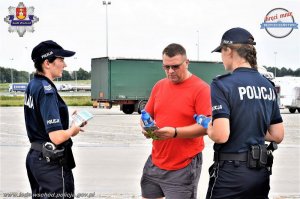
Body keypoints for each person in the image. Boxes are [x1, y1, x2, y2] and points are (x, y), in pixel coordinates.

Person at [206, 27, 284, 198]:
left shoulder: (222, 84)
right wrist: (249, 129)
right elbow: (277, 135)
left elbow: (220, 135)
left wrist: (207, 126)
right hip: (260, 174)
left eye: (221, 51)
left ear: (229, 51)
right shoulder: (267, 86)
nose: (221, 57)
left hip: (230, 175)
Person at [140, 43, 211, 199]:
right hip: (155, 160)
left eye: (175, 66)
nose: (170, 71)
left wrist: (175, 133)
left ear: (187, 62)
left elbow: (208, 127)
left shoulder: (201, 89)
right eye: (166, 67)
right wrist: (146, 127)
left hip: (183, 165)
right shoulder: (159, 86)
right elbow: (146, 115)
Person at [24, 40, 86, 199]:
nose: (65, 65)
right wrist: (73, 129)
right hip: (51, 164)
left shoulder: (33, 84)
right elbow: (56, 137)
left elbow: (41, 119)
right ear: (47, 63)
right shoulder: (47, 91)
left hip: (36, 158)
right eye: (61, 60)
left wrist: (66, 120)